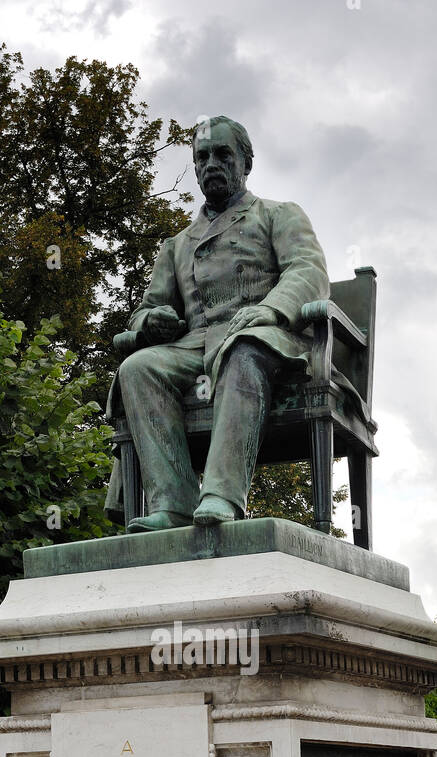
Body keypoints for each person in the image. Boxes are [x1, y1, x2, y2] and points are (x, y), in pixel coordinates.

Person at [104, 115, 329, 531]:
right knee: (137, 368)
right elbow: (144, 309)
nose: (212, 164)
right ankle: (172, 503)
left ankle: (223, 496)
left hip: (266, 339)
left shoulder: (278, 214)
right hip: (194, 347)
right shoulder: (177, 245)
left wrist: (272, 309)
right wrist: (151, 320)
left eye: (223, 154)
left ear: (246, 162)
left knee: (242, 350)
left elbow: (308, 271)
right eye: (202, 156)